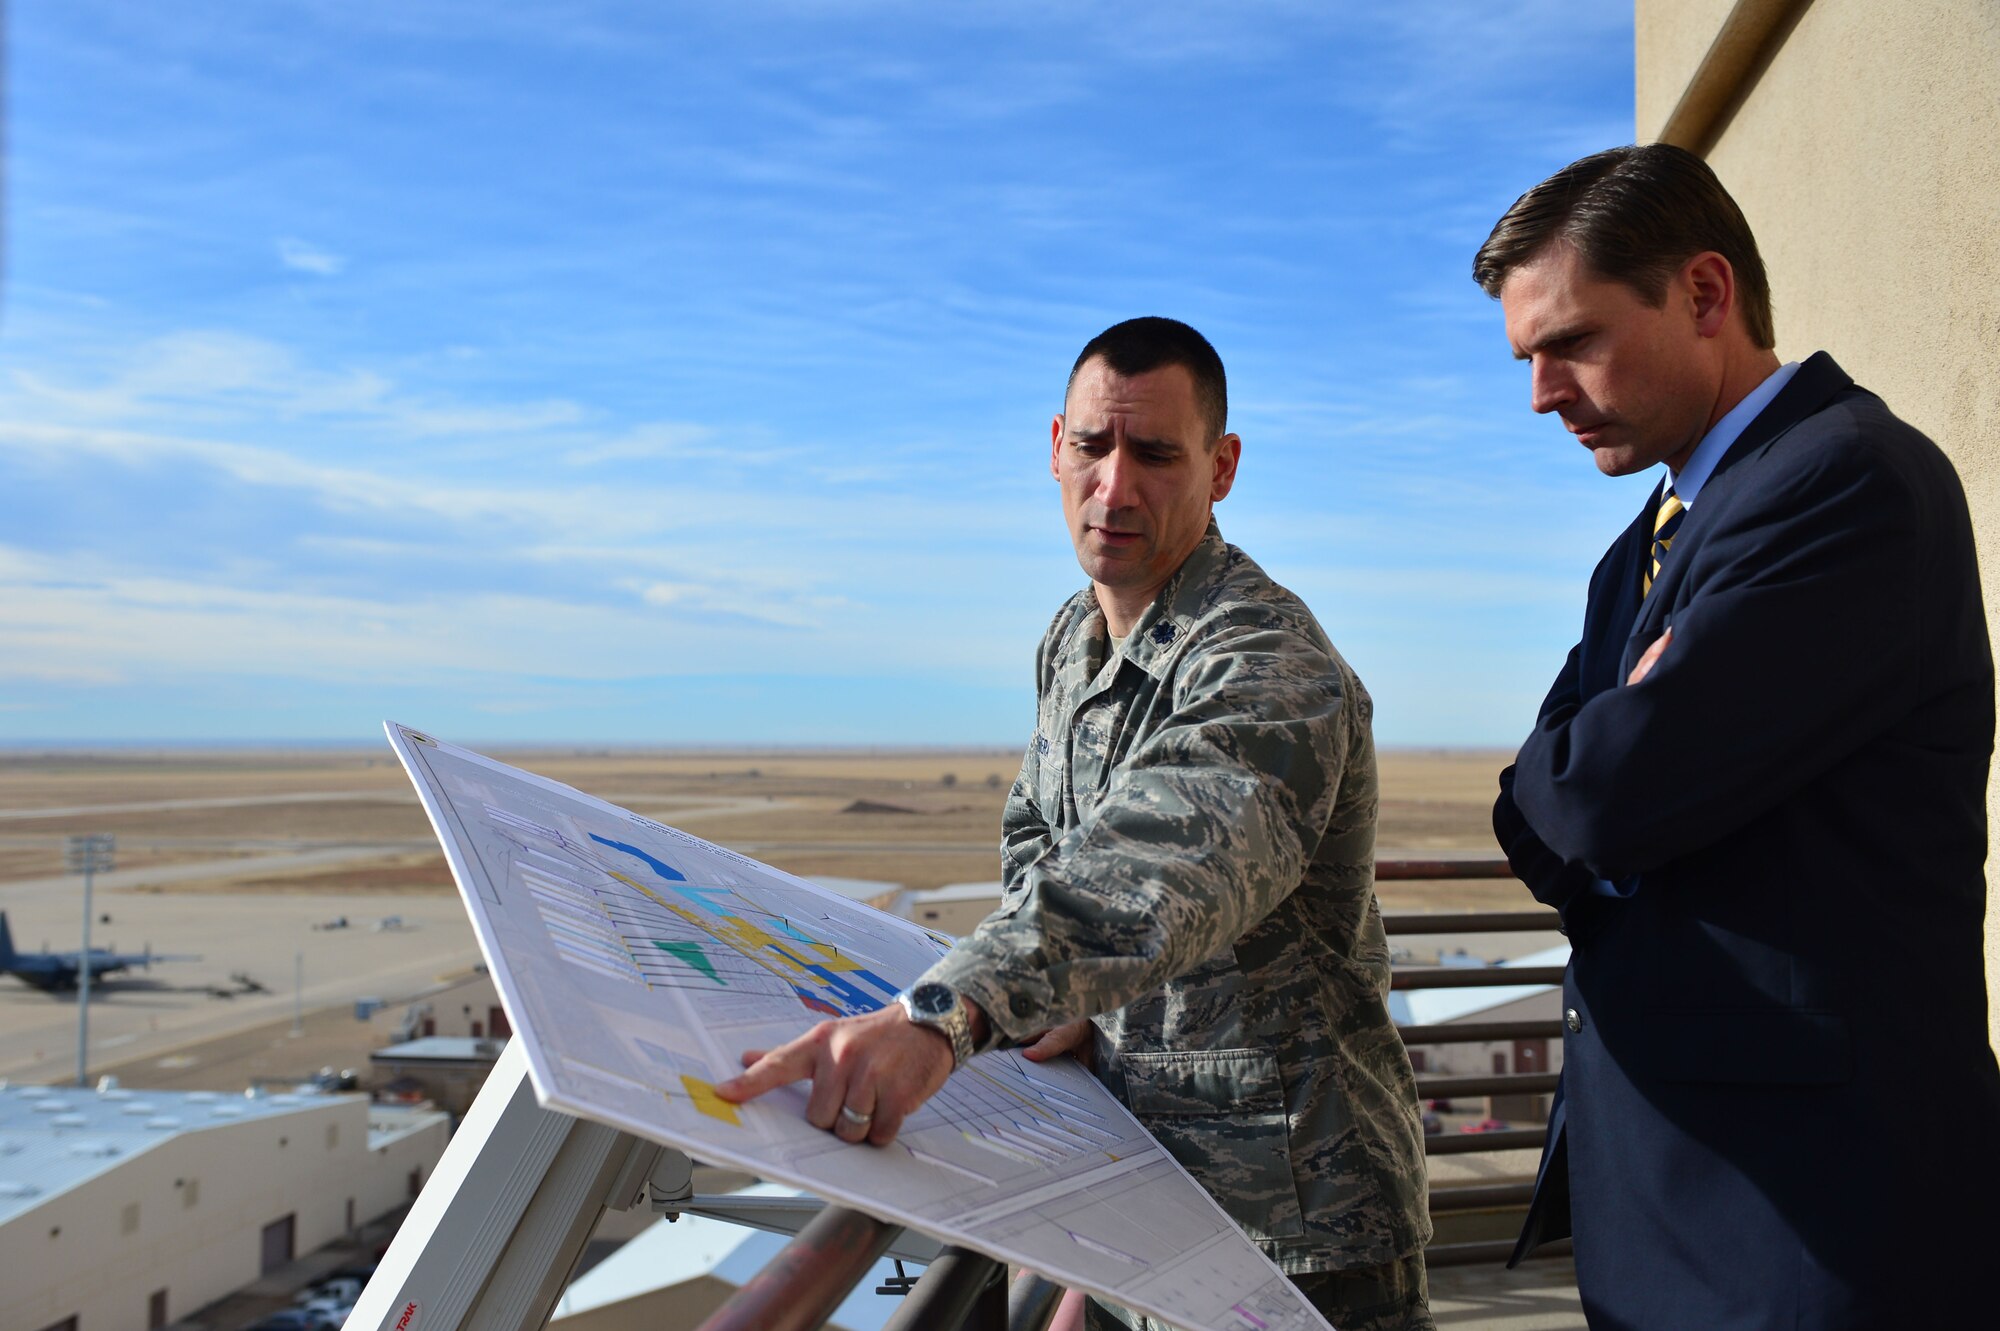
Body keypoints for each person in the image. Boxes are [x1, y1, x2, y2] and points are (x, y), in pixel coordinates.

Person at [718, 317, 1432, 1330]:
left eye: (1154, 454)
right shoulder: (1072, 636)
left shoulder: (1266, 663)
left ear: (1220, 467)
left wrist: (950, 1012)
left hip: (1291, 1234)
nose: (1114, 487)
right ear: (1055, 444)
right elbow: (1039, 838)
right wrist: (1064, 1007)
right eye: (1093, 447)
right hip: (1129, 1193)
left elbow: (1158, 868)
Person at [1475, 143, 1999, 1327]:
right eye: (1526, 358)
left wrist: (1590, 763)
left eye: (1570, 342)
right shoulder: (1646, 542)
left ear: (1704, 294)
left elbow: (1600, 801)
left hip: (1809, 1224)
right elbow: (1533, 817)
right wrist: (1589, 761)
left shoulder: (1847, 482)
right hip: (1678, 1209)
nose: (1540, 393)